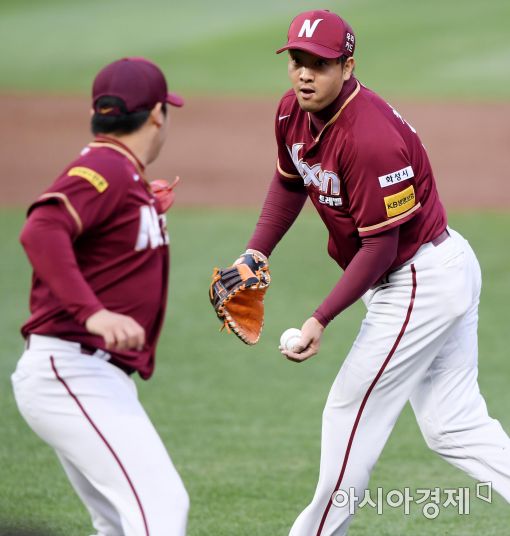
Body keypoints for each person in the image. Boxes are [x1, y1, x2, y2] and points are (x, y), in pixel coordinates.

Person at [239, 10, 510, 535]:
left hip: (420, 281)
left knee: (349, 412)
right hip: (425, 273)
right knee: (452, 425)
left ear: (347, 66)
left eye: (319, 64)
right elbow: (291, 182)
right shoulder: (291, 112)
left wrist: (320, 318)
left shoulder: (369, 138)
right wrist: (256, 254)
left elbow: (381, 247)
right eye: (296, 61)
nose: (304, 75)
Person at [12, 57, 189, 536]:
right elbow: (41, 229)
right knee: (161, 506)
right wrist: (92, 313)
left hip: (90, 375)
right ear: (157, 114)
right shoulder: (105, 167)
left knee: (117, 522)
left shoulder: (122, 175)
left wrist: (141, 208)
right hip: (72, 370)